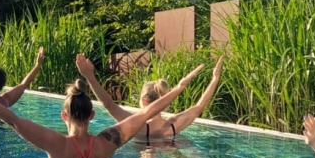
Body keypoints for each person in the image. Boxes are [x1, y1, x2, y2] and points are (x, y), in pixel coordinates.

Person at [0, 66, 202, 158]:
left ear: (64, 115)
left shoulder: (55, 143)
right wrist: (179, 87)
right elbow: (146, 113)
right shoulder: (107, 142)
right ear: (92, 116)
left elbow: (11, 119)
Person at [73, 54, 225, 143]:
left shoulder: (137, 126)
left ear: (144, 101)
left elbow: (109, 105)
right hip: (171, 153)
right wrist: (215, 79)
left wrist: (90, 76)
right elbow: (200, 106)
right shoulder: (174, 125)